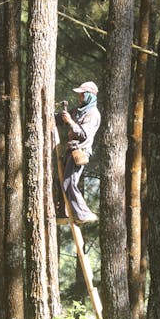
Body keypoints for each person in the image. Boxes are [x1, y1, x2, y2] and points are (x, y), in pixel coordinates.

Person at [56, 81, 101, 225]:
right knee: (62, 181)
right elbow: (63, 118)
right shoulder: (79, 110)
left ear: (89, 95)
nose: (79, 97)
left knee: (69, 183)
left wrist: (70, 122)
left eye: (82, 94)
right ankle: (63, 214)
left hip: (80, 152)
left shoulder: (93, 114)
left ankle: (83, 214)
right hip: (71, 150)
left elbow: (84, 134)